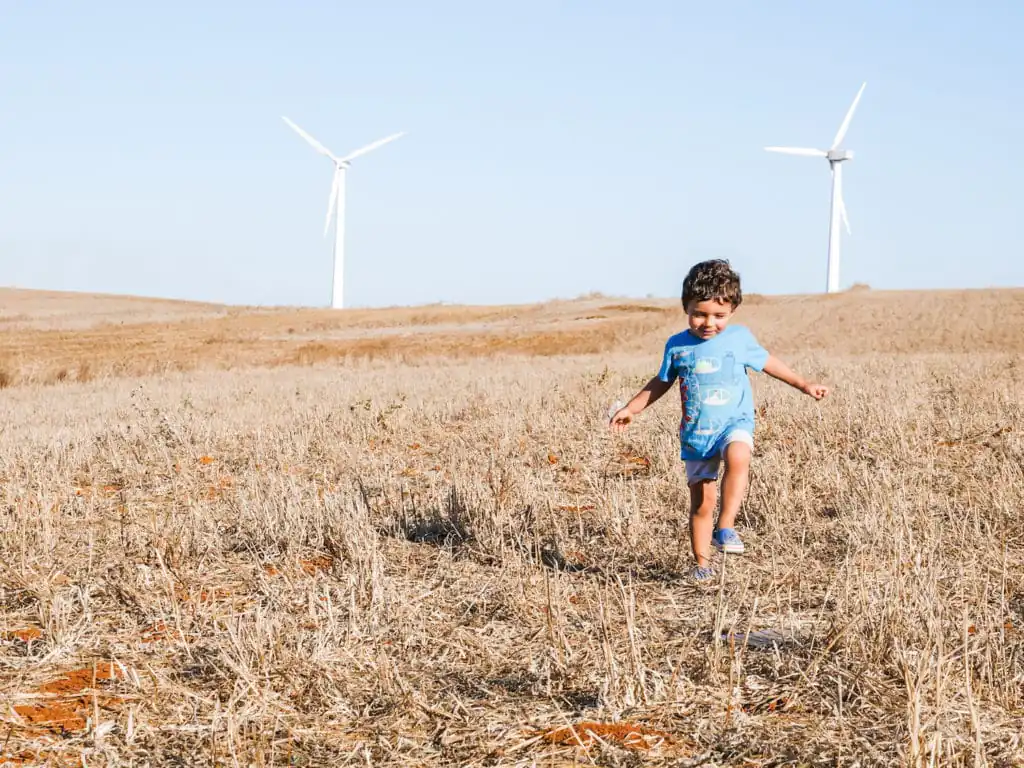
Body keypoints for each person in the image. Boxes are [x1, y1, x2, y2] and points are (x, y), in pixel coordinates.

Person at [609, 259, 829, 583]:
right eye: (700, 313)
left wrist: (804, 384)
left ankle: (726, 526)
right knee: (701, 502)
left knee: (739, 455)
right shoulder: (677, 345)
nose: (708, 323)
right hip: (697, 434)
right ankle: (702, 563)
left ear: (733, 311)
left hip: (733, 423)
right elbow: (661, 382)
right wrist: (632, 408)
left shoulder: (739, 339)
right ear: (686, 307)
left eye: (719, 315)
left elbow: (769, 363)